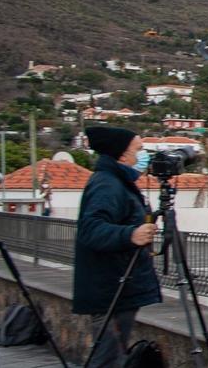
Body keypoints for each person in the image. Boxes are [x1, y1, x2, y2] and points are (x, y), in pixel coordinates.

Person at [74, 126, 161, 368]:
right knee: (107, 358)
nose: (142, 155)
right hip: (111, 287)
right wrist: (130, 234)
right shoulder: (108, 185)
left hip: (118, 284)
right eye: (138, 150)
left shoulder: (115, 181)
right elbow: (90, 229)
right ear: (122, 155)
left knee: (114, 354)